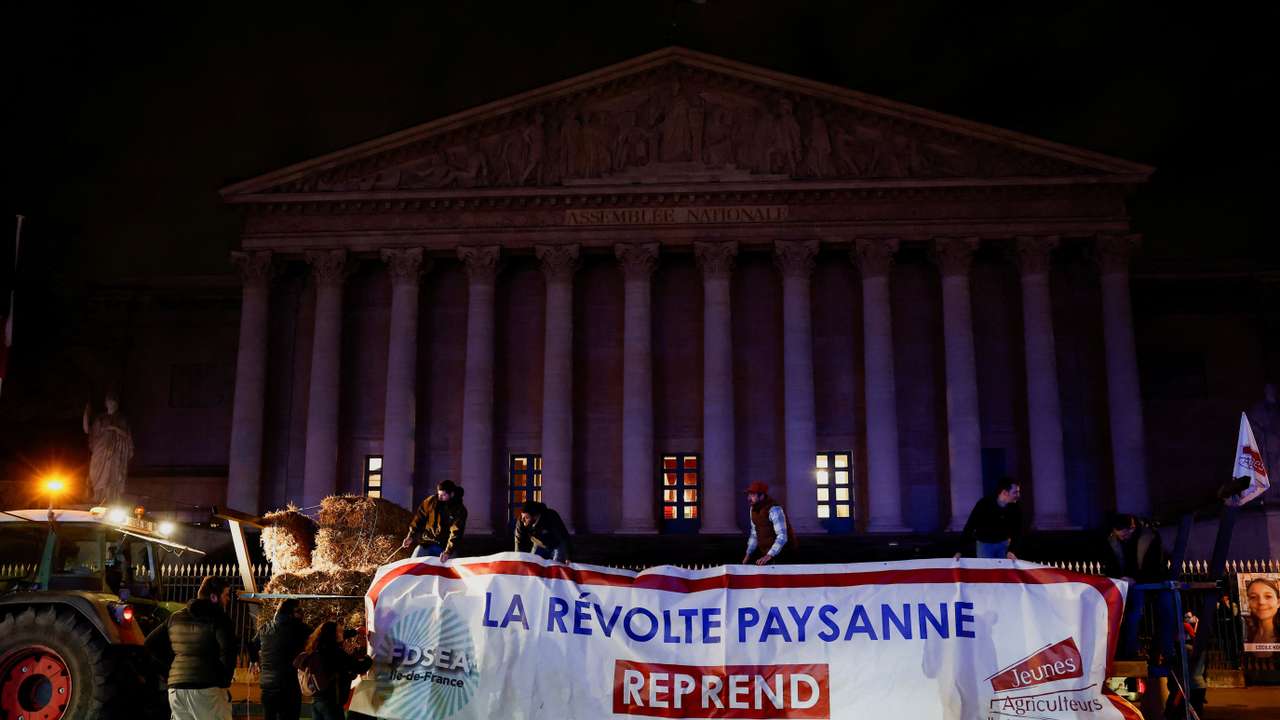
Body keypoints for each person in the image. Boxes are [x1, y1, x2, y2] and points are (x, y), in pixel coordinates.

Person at [144, 576, 237, 720]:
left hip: (176, 689)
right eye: (225, 595)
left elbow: (150, 644)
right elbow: (228, 652)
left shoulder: (175, 617)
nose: (228, 600)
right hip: (207, 689)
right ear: (214, 597)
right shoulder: (220, 619)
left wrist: (171, 669)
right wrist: (224, 681)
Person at [1098, 513, 1174, 661]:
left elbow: (1156, 565)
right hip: (1130, 583)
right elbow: (1111, 564)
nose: (1123, 538)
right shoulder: (1113, 539)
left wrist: (1135, 579)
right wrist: (1120, 579)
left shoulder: (1148, 536)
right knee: (1134, 614)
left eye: (1125, 534)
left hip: (1148, 582)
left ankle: (1162, 651)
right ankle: (1132, 651)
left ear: (1132, 527)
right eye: (1119, 535)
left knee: (1151, 613)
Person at [295, 621, 372, 720]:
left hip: (316, 701)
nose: (342, 633)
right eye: (339, 631)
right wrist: (369, 657)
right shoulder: (335, 652)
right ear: (333, 634)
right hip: (332, 703)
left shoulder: (316, 648)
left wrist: (354, 632)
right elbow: (359, 667)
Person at [252, 599, 312, 720]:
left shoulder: (265, 628)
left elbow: (252, 645)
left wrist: (254, 661)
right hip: (288, 687)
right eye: (299, 610)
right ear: (291, 613)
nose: (302, 613)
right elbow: (319, 636)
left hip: (267, 688)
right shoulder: (298, 628)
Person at [400, 480, 468, 561]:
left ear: (452, 494)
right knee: (413, 563)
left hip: (446, 546)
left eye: (443, 495)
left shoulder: (459, 510)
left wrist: (448, 552)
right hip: (427, 543)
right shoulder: (431, 502)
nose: (440, 497)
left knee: (453, 568)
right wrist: (410, 536)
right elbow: (419, 519)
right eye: (439, 494)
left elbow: (456, 532)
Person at [954, 479, 1021, 560]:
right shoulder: (984, 504)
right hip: (985, 546)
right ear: (1004, 493)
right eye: (1015, 492)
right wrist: (959, 551)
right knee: (987, 572)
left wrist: (1011, 550)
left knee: (1005, 572)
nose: (1018, 495)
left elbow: (1017, 531)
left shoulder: (1015, 508)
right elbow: (970, 526)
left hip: (1004, 544)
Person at [742, 481, 795, 566]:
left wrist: (769, 555)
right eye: (749, 495)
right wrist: (748, 555)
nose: (749, 498)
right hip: (768, 555)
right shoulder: (753, 509)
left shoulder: (774, 509)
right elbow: (754, 533)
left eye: (752, 495)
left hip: (784, 556)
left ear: (762, 495)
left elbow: (782, 536)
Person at [1243, 576, 1280, 644]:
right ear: (1248, 602)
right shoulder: (1246, 635)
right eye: (1253, 597)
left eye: (1268, 596)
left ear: (1278, 603)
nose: (1261, 602)